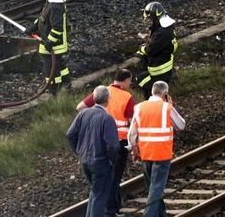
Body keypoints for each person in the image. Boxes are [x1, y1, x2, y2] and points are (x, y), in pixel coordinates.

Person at [77, 69, 136, 217]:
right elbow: (132, 122)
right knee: (114, 178)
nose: (130, 84)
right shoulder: (127, 97)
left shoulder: (102, 91)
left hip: (98, 141)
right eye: (130, 81)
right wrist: (134, 144)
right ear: (126, 80)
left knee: (102, 183)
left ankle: (110, 210)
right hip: (118, 143)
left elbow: (80, 107)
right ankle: (111, 211)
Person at [128, 81, 185, 217]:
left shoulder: (139, 107)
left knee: (153, 189)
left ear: (152, 92)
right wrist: (171, 105)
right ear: (165, 94)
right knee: (156, 189)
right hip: (162, 154)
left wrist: (133, 149)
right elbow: (181, 125)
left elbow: (132, 133)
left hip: (145, 154)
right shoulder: (167, 107)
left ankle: (161, 214)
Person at [67, 85, 121, 217]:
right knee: (100, 197)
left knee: (95, 192)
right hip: (101, 163)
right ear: (108, 99)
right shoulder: (107, 119)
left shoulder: (83, 113)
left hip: (85, 161)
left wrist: (79, 152)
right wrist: (111, 161)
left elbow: (70, 134)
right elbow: (113, 146)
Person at [28, 0, 70, 94]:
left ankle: (54, 92)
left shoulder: (55, 5)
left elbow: (57, 28)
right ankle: (67, 86)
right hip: (51, 43)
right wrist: (33, 27)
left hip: (53, 45)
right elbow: (43, 18)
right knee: (60, 66)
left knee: (51, 70)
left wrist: (50, 42)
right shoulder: (52, 1)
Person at [135, 2, 178, 99]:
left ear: (155, 18)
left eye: (150, 19)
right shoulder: (167, 27)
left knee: (145, 84)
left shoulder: (162, 32)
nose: (149, 21)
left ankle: (155, 106)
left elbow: (150, 50)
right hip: (165, 66)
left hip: (159, 69)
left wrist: (142, 49)